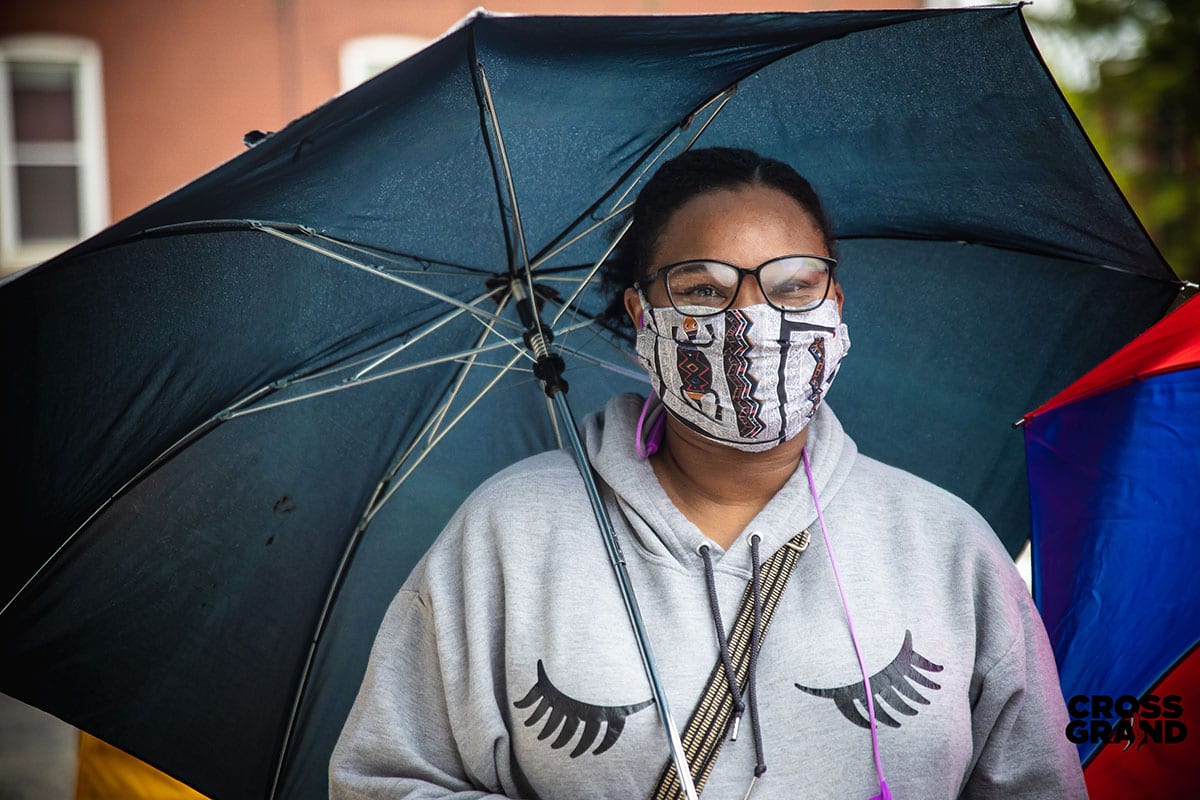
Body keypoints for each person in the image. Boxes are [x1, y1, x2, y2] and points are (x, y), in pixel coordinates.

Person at [329, 148, 1086, 799]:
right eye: (702, 288)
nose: (753, 319)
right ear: (641, 314)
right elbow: (383, 781)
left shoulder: (945, 544)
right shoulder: (510, 535)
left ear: (835, 304)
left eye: (792, 284)